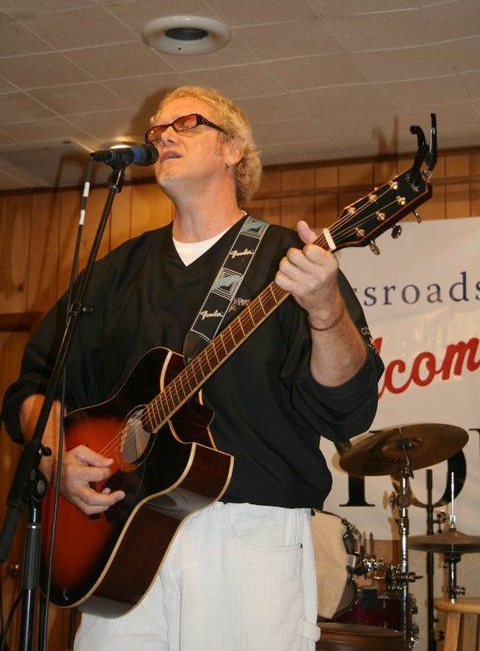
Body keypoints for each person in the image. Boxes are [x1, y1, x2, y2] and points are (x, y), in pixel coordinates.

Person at [2, 86, 383, 651]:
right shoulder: (115, 272)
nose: (163, 137)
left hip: (246, 536)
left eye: (186, 123)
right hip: (118, 536)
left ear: (233, 150)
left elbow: (348, 408)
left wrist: (325, 312)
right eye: (157, 130)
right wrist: (55, 454)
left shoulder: (288, 262)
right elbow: (34, 385)